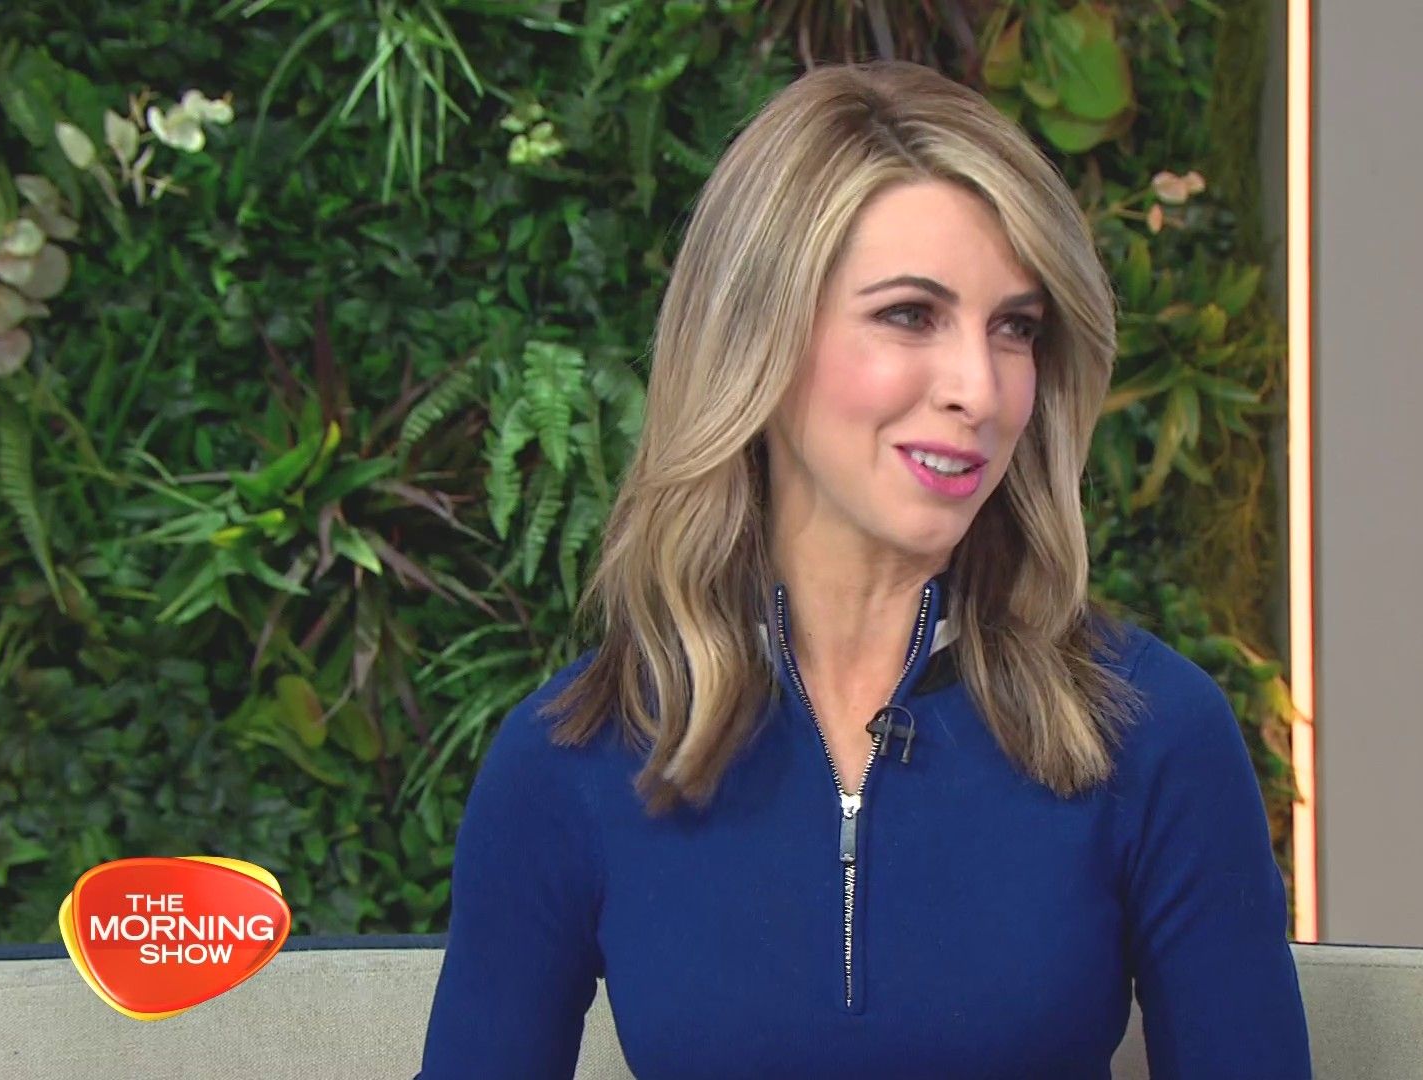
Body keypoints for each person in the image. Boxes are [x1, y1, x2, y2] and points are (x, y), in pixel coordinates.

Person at [418, 60, 1312, 1078]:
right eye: (910, 314)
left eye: (1015, 329)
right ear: (757, 337)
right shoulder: (569, 759)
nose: (980, 390)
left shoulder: (1152, 732)